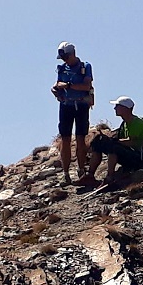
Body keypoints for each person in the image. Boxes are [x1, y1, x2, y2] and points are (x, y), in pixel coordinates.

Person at [52, 42, 94, 183]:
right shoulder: (62, 68)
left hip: (81, 105)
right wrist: (56, 90)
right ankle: (66, 173)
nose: (64, 59)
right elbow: (58, 84)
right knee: (65, 139)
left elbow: (86, 86)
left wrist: (69, 86)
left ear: (72, 54)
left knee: (81, 138)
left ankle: (81, 170)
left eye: (66, 56)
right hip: (66, 105)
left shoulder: (85, 67)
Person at [86, 96, 143, 185]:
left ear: (125, 108)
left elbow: (131, 142)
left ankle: (110, 177)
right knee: (98, 141)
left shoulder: (137, 123)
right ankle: (90, 175)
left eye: (117, 106)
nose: (115, 108)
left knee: (114, 147)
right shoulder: (125, 124)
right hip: (132, 155)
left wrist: (114, 141)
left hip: (140, 158)